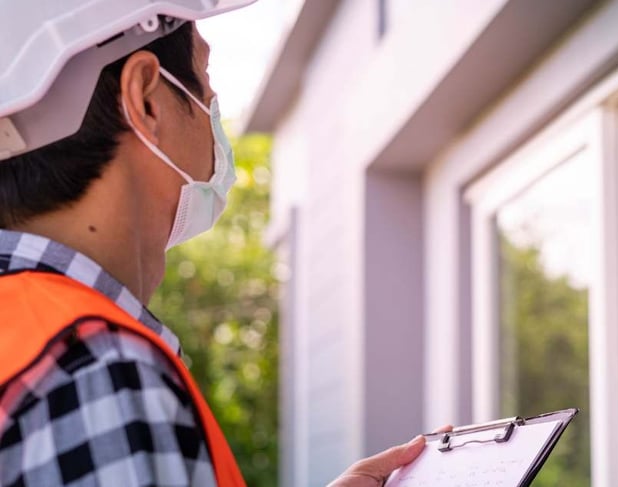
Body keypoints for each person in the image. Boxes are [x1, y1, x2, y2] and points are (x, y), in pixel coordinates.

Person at [0, 1, 426, 485]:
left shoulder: (31, 343)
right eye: (204, 75)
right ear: (146, 101)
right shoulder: (96, 371)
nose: (212, 103)